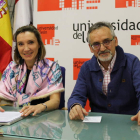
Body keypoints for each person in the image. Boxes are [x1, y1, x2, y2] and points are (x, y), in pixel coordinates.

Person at [68, 21, 140, 125]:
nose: (102, 48)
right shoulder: (86, 68)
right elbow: (77, 96)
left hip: (129, 125)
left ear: (115, 41)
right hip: (98, 128)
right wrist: (75, 106)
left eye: (106, 41)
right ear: (90, 48)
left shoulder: (132, 62)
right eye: (96, 44)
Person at [0, 25, 64, 116]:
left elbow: (56, 101)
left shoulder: (52, 68)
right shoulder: (11, 68)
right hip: (15, 118)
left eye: (31, 42)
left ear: (39, 44)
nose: (26, 48)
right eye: (21, 44)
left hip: (42, 120)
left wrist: (40, 106)